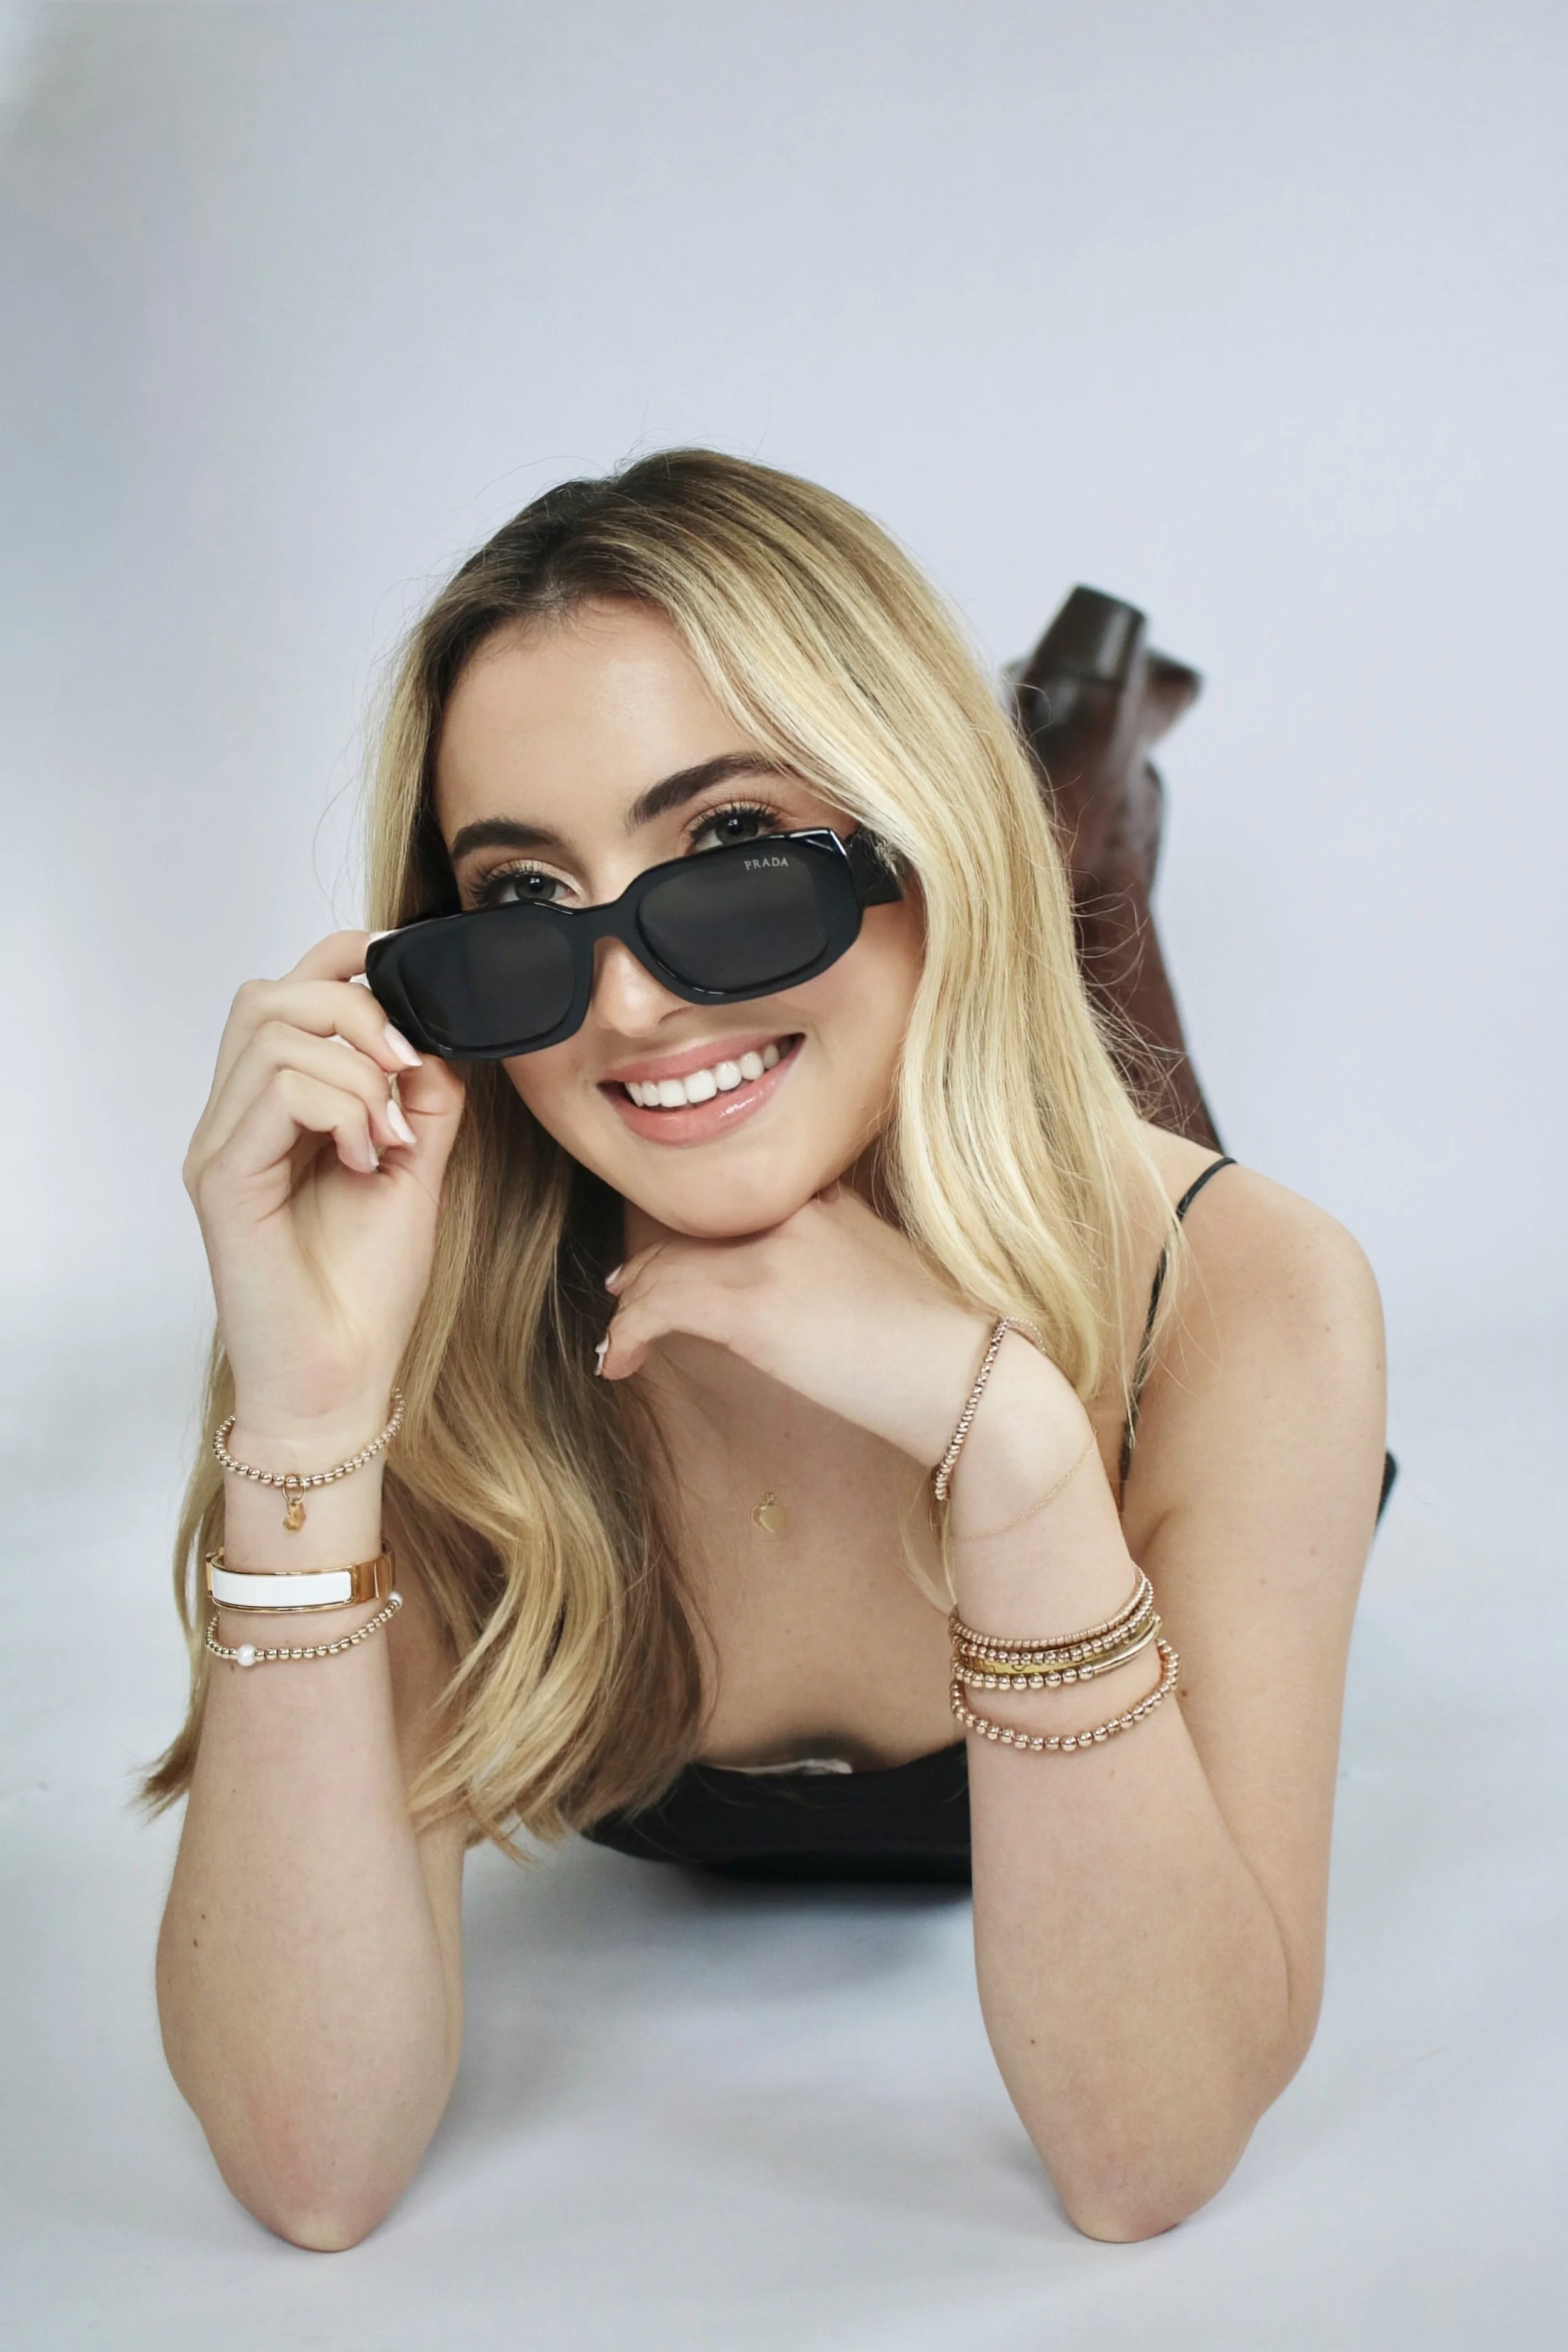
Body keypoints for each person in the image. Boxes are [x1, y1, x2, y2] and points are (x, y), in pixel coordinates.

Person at [146, 450, 1390, 2253]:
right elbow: (307, 2164)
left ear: (908, 823)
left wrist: (1021, 1450)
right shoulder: (412, 1292)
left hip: (1049, 1155)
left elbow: (1146, 2154)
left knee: (1084, 969)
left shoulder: (1250, 1296)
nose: (633, 1002)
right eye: (517, 903)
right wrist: (307, 1419)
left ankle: (1069, 774)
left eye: (731, 851)